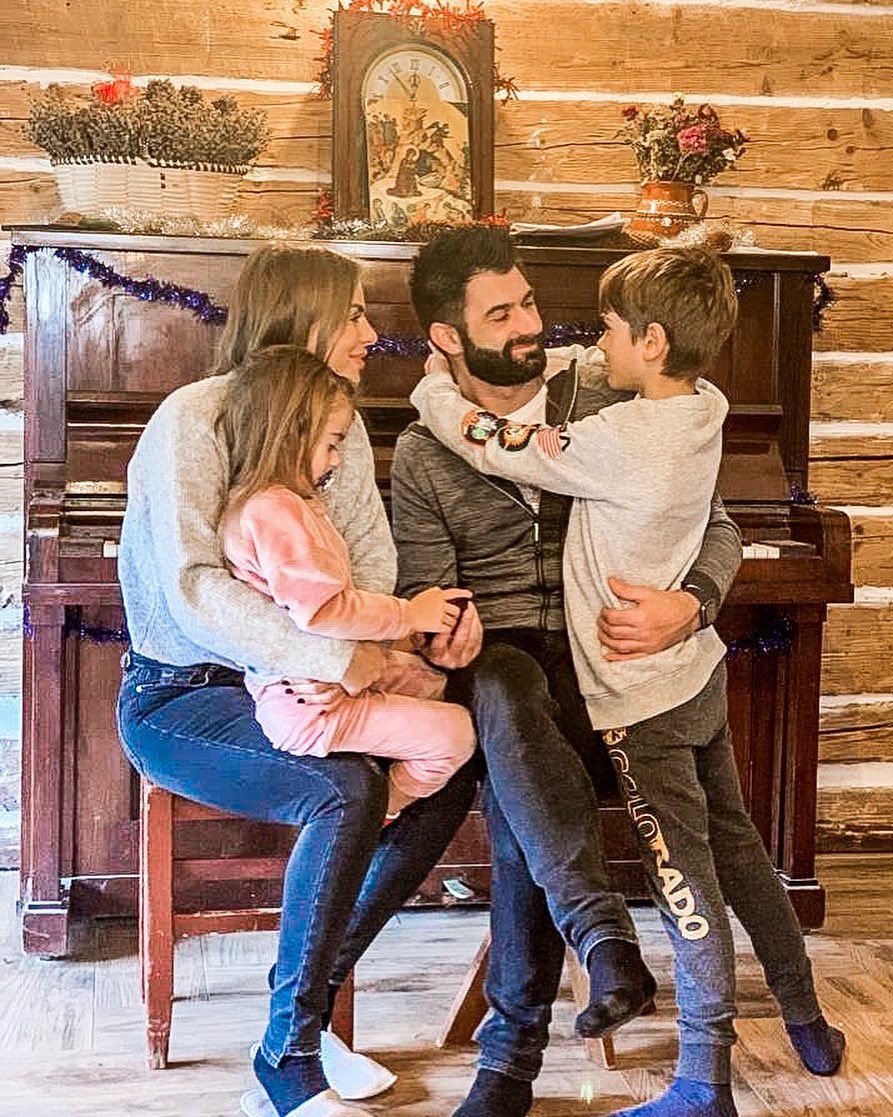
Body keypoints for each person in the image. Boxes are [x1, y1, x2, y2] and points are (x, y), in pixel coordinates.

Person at [393, 226, 837, 1117]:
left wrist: (694, 600)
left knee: (682, 878)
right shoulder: (697, 402)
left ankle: (694, 1072)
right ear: (449, 332)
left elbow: (500, 444)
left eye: (539, 306)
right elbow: (429, 585)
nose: (545, 329)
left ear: (650, 341)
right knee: (731, 844)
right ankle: (802, 1017)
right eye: (504, 313)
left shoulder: (609, 412)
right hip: (660, 681)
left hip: (633, 689)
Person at [116, 242, 481, 1117]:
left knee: (449, 765)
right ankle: (287, 1056)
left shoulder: (335, 426)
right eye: (352, 313)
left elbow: (371, 570)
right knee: (343, 787)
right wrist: (326, 660)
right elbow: (193, 588)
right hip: (181, 694)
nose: (369, 333)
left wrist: (414, 639)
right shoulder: (194, 416)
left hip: (307, 682)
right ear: (299, 317)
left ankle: (302, 1019)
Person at [217, 344, 476, 821]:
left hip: (321, 680)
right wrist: (409, 614)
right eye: (332, 443)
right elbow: (323, 610)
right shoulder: (273, 510)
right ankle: (381, 811)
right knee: (457, 734)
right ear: (292, 435)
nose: (336, 460)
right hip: (309, 705)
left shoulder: (282, 504)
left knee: (436, 685)